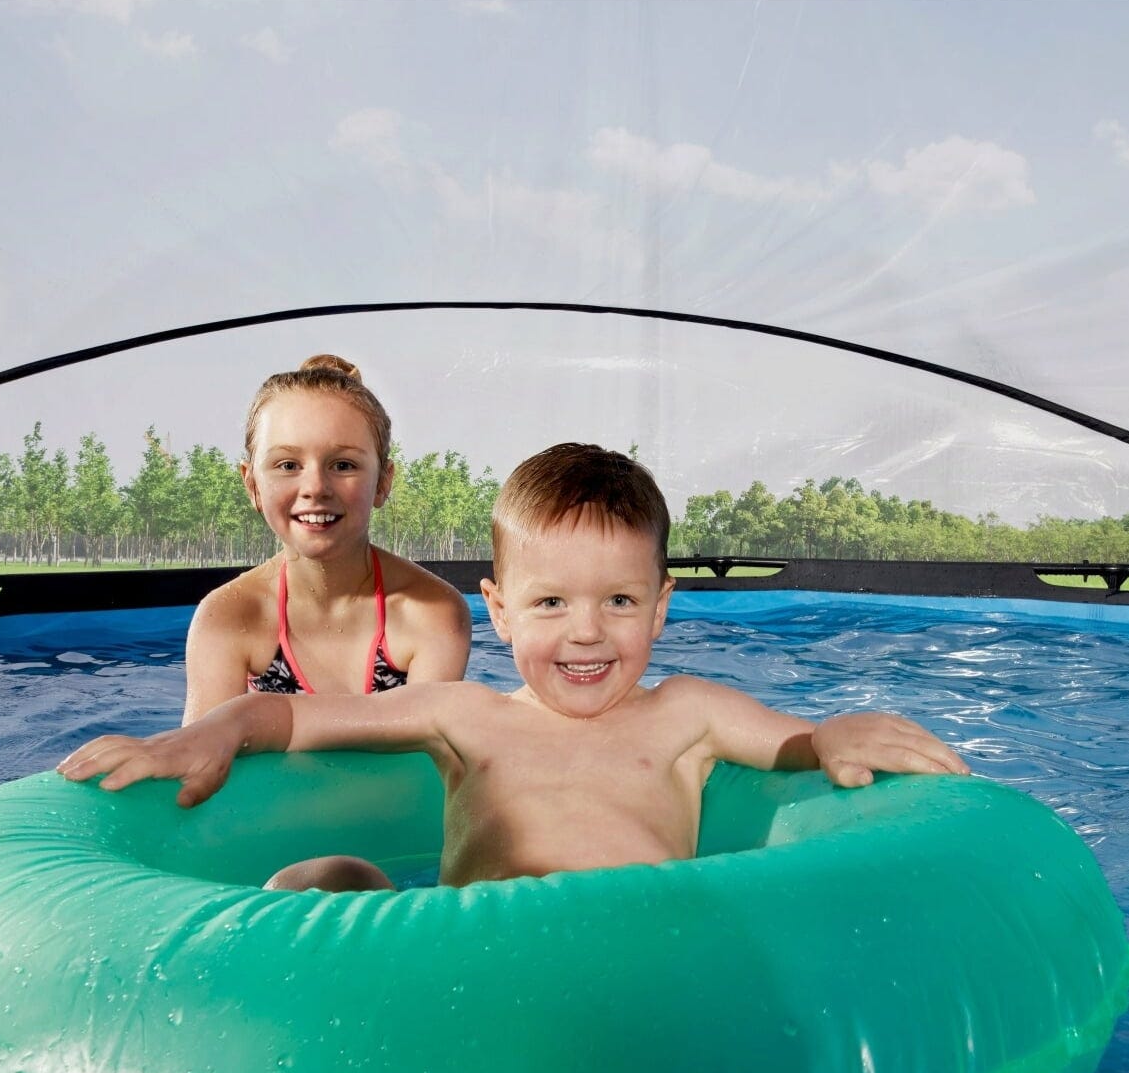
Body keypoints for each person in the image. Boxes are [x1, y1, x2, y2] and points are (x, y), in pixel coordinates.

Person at [62, 442, 969, 891]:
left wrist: (840, 732)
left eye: (620, 601)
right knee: (325, 875)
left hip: (634, 957)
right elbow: (296, 714)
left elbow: (800, 744)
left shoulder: (688, 713)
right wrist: (214, 730)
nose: (587, 634)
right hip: (474, 961)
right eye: (550, 604)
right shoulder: (463, 715)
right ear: (497, 610)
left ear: (662, 605)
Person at [181, 354, 473, 724]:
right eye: (288, 465)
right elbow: (199, 752)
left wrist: (263, 721)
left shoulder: (431, 613)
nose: (316, 487)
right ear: (252, 484)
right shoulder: (227, 617)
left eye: (343, 465)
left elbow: (423, 747)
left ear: (383, 482)